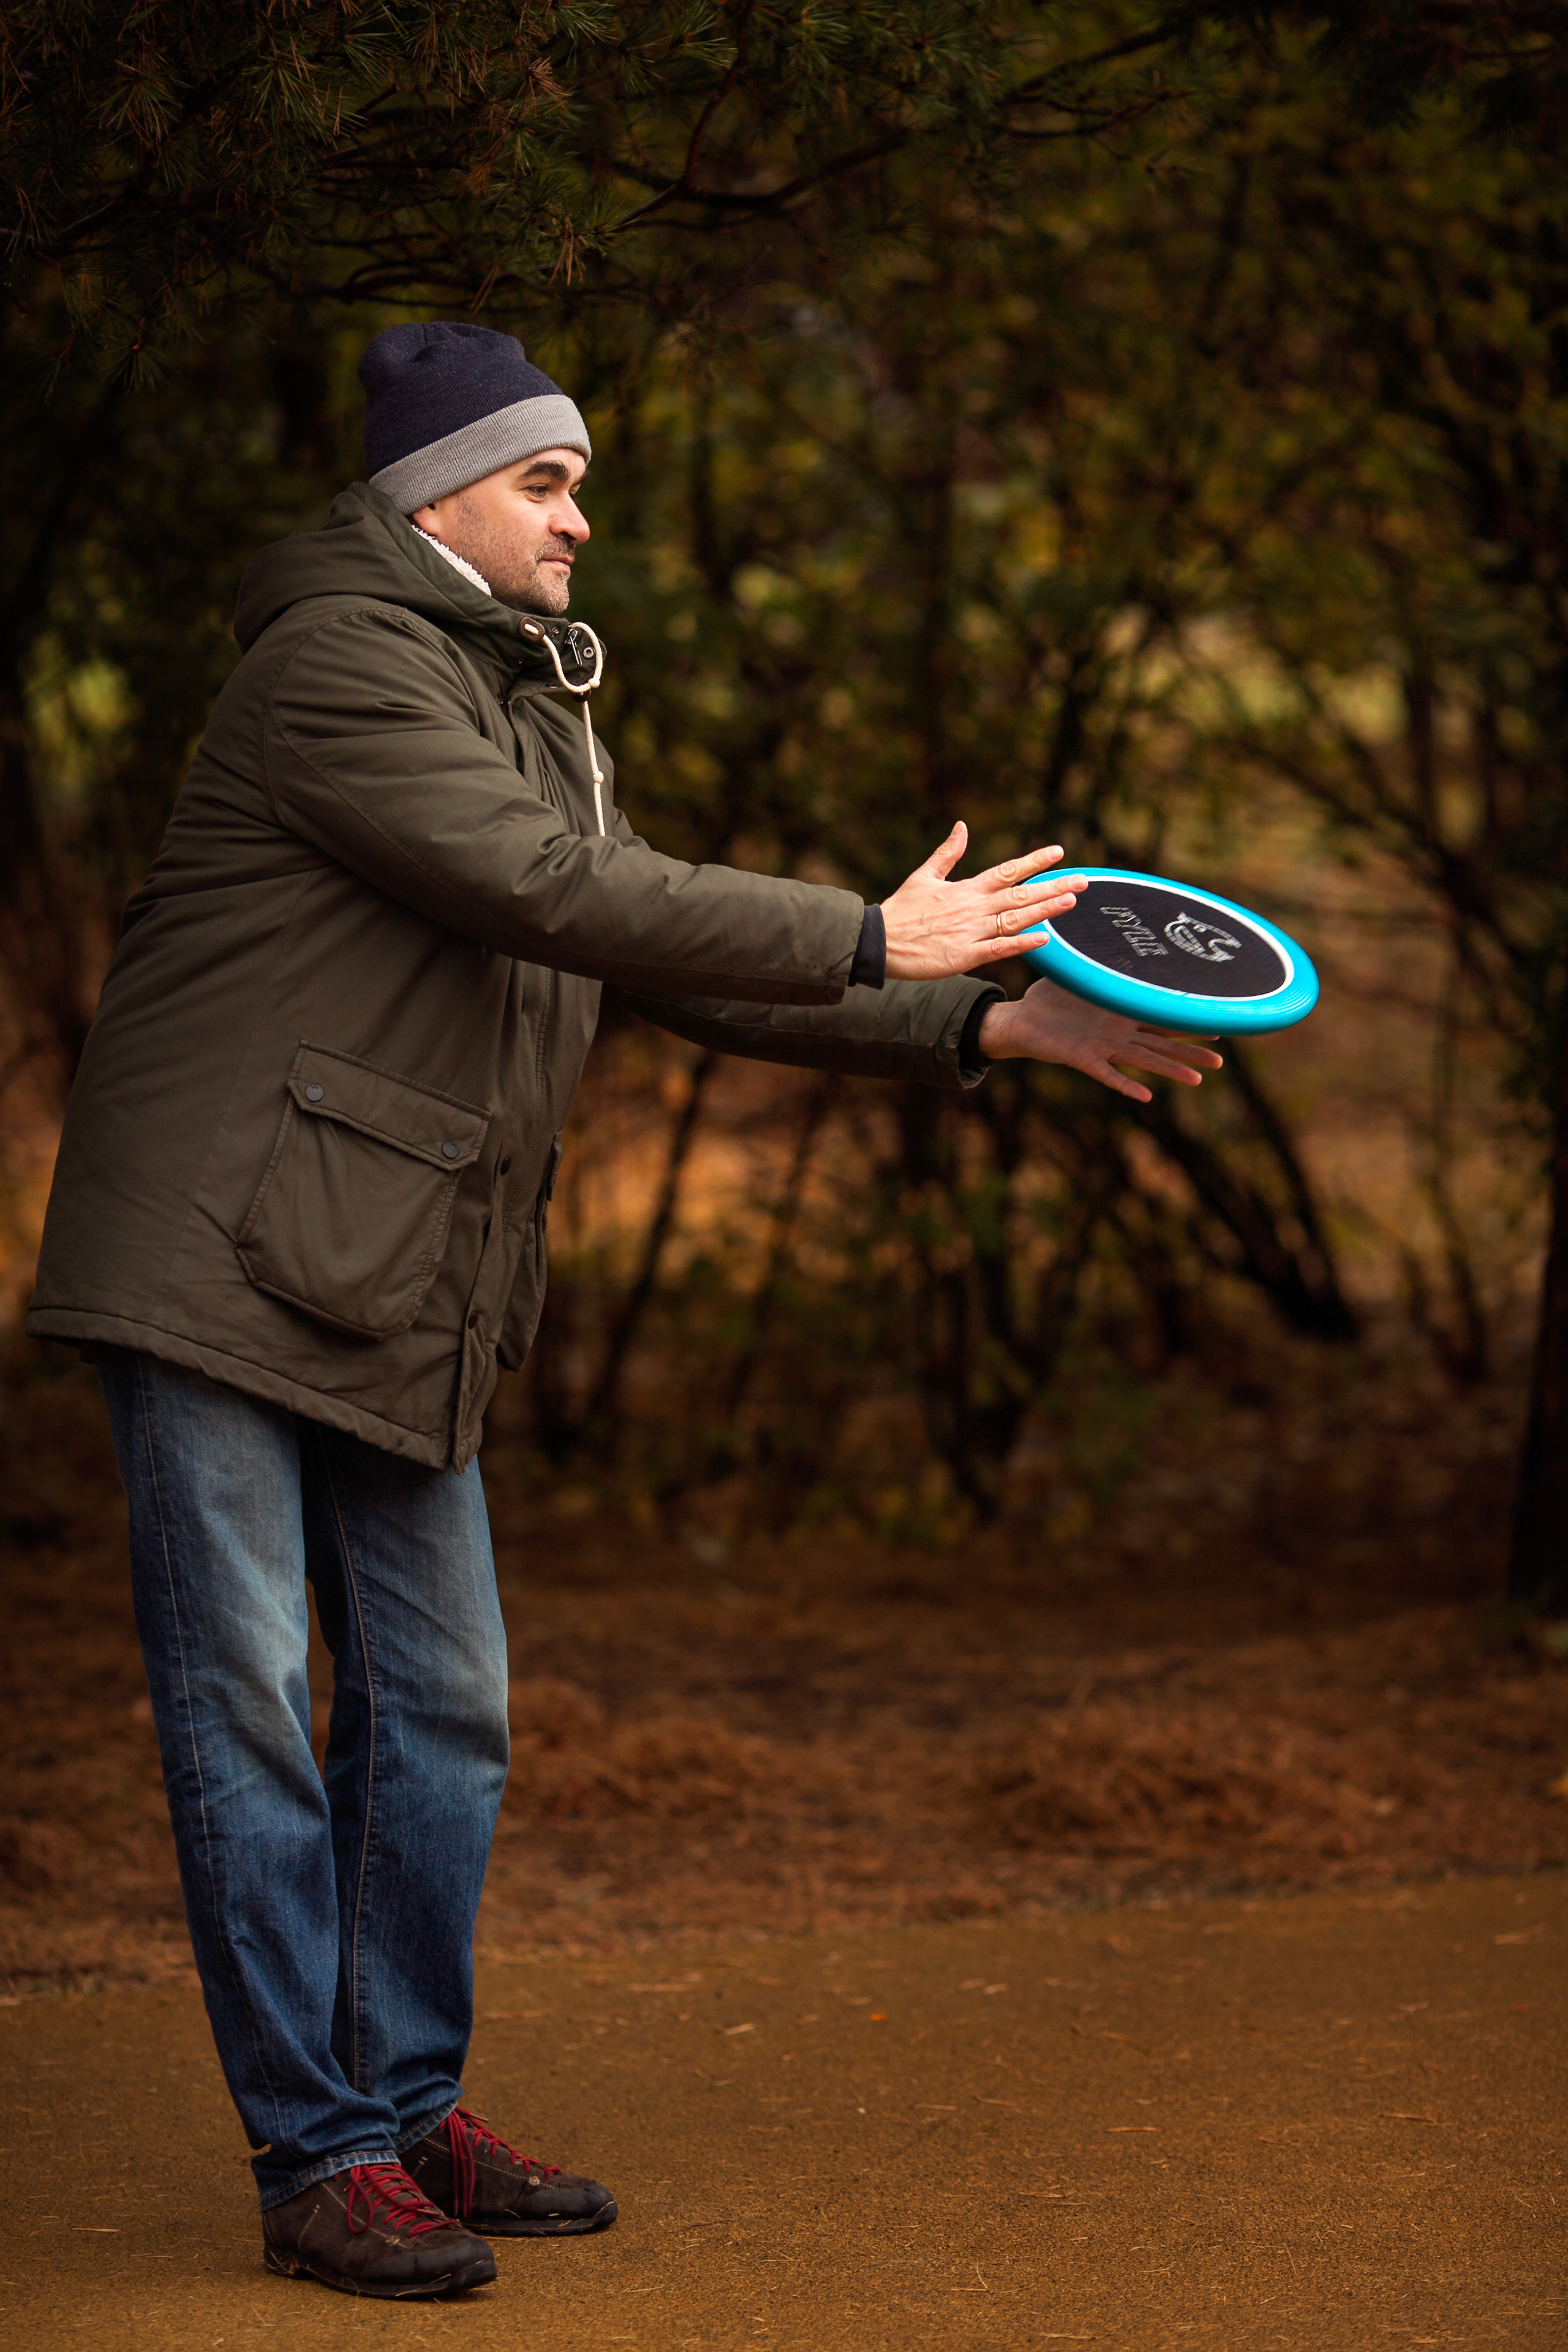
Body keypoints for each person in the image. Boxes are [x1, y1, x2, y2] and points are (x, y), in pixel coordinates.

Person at [26, 322, 1221, 2301]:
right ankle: (319, 2155)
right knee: (246, 1714)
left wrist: (979, 1021)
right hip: (214, 1257)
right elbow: (557, 893)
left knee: (448, 1709)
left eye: (580, 481)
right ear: (437, 502)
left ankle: (404, 2112)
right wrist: (867, 922)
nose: (585, 516)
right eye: (547, 482)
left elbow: (638, 946)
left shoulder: (523, 693)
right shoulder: (338, 663)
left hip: (393, 1261)